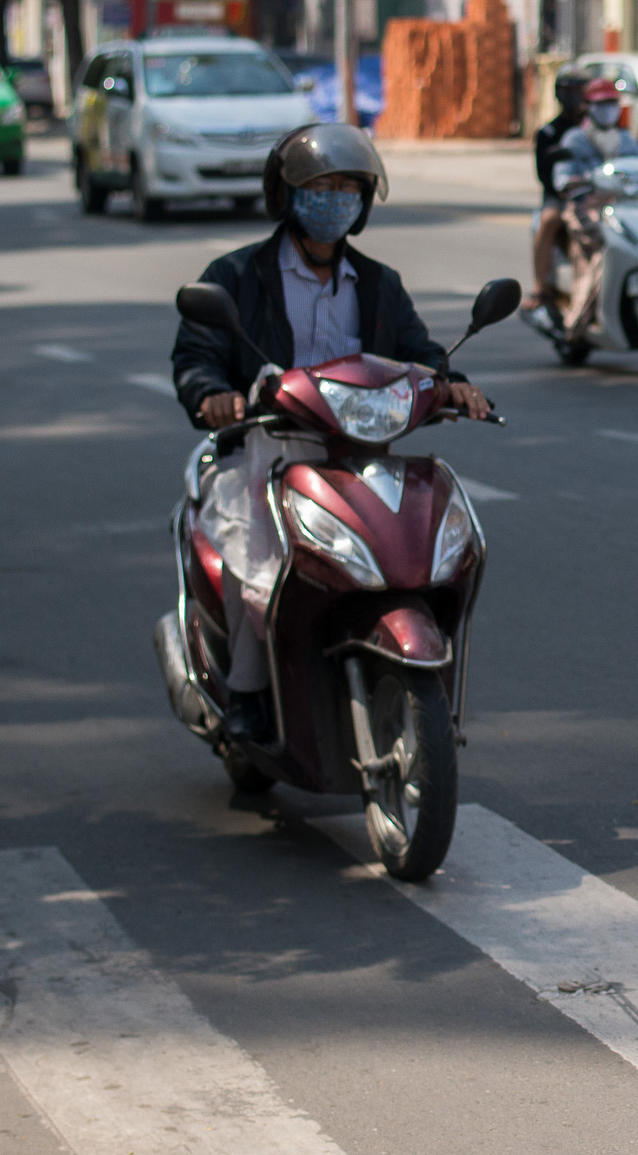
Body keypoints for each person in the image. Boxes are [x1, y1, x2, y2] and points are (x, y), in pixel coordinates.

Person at [169, 123, 493, 743]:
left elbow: (420, 354)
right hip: (266, 452)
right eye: (320, 186)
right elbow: (197, 354)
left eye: (348, 187)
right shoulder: (239, 276)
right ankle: (246, 694)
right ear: (286, 194)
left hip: (362, 457)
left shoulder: (378, 285)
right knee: (253, 557)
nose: (334, 199)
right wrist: (212, 396)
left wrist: (451, 385)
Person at [536, 77, 638, 330]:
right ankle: (566, 307)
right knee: (588, 245)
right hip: (581, 205)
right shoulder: (571, 138)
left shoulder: (626, 140)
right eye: (601, 103)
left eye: (611, 103)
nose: (607, 109)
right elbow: (557, 176)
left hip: (619, 208)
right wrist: (573, 184)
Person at [520, 74, 592, 334]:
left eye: (580, 90)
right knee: (549, 220)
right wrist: (568, 189)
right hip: (561, 196)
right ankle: (541, 286)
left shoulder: (597, 128)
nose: (576, 97)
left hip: (596, 195)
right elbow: (545, 176)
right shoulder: (549, 132)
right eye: (569, 90)